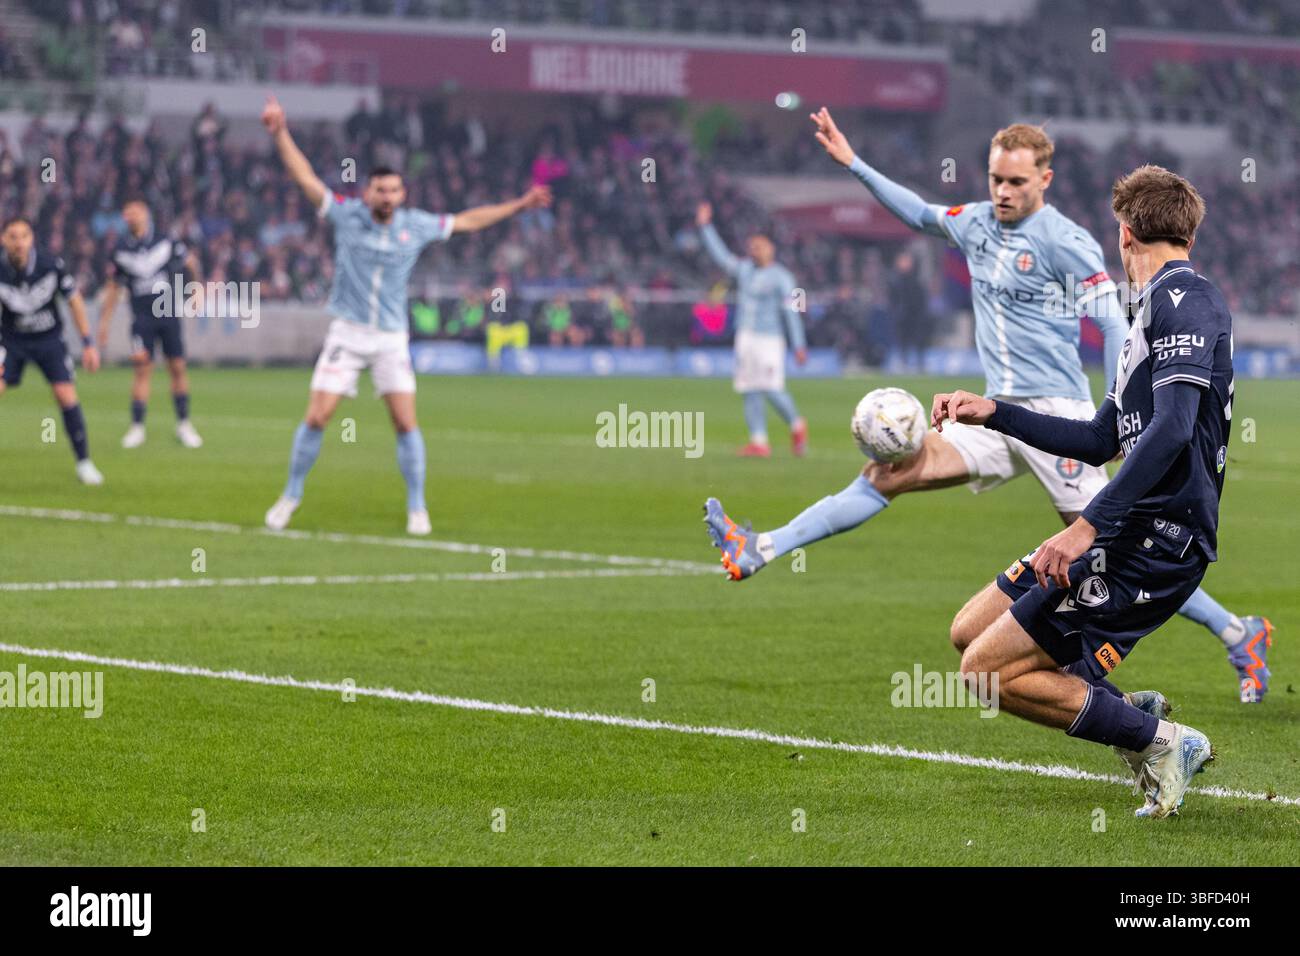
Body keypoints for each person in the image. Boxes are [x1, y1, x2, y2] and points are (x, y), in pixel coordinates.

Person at [704, 111, 1271, 701]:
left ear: (1044, 180)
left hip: (1061, 416)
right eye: (996, 178)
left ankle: (1236, 631)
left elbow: (1110, 322)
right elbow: (918, 213)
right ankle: (762, 546)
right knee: (888, 472)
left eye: (1017, 182)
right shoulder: (973, 223)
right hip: (998, 413)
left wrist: (1119, 416)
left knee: (1113, 546)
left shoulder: (1067, 241)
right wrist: (853, 163)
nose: (1003, 191)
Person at [937, 164, 1236, 816]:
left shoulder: (1185, 298)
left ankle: (1159, 741)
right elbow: (1104, 437)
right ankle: (1128, 714)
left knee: (984, 674)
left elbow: (1175, 428)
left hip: (1155, 539)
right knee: (970, 631)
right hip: (1134, 529)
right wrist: (996, 412)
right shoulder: (1151, 312)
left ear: (1125, 233)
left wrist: (1086, 525)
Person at [259, 95, 551, 535]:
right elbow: (304, 177)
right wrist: (280, 131)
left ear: (403, 194)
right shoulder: (346, 215)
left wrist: (519, 204)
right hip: (348, 331)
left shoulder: (415, 225)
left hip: (391, 338)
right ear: (367, 192)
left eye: (395, 190)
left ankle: (417, 506)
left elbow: (470, 221)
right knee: (317, 416)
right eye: (380, 189)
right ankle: (291, 495)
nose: (388, 196)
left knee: (405, 421)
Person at [696, 201, 808, 457]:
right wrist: (705, 227)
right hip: (745, 337)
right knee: (748, 388)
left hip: (770, 340)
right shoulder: (745, 270)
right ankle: (759, 441)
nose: (754, 251)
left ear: (771, 248)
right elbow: (722, 257)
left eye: (758, 246)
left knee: (771, 388)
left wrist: (798, 344)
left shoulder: (783, 278)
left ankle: (797, 424)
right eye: (751, 247)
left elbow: (792, 313)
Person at [0, 216, 103, 484]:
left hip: (48, 340)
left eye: (24, 236)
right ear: (4, 240)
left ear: (31, 238)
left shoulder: (50, 265)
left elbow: (75, 301)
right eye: (13, 236)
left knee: (65, 394)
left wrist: (88, 342)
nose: (19, 243)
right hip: (12, 341)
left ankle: (84, 462)